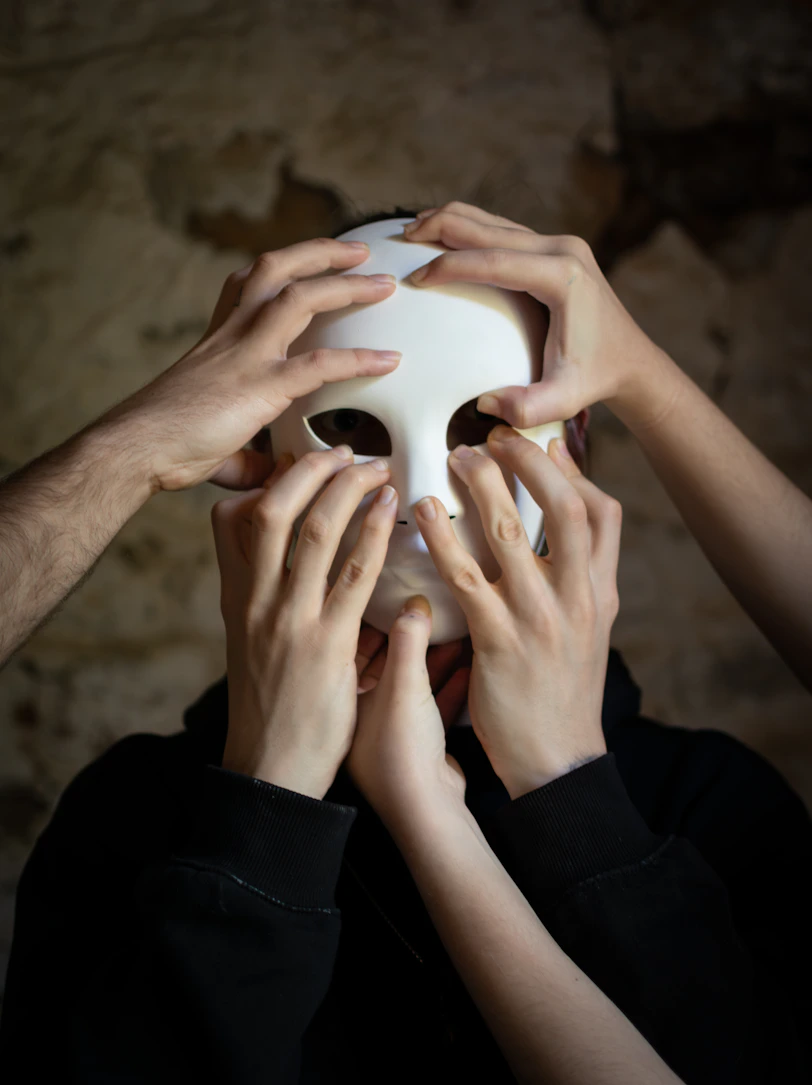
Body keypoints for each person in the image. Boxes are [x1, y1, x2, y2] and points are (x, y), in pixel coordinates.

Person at [0, 227, 684, 1083]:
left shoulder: (702, 800)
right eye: (353, 423)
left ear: (571, 437)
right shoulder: (129, 818)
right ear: (262, 445)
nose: (424, 497)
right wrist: (267, 804)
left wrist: (577, 804)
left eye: (480, 420)